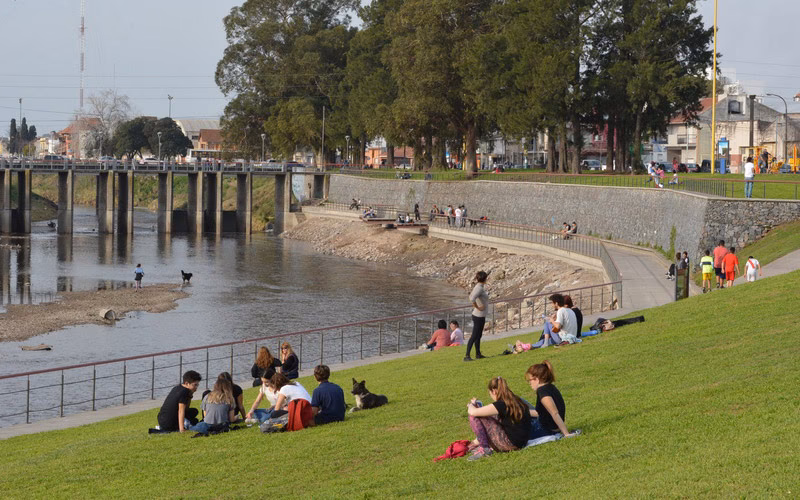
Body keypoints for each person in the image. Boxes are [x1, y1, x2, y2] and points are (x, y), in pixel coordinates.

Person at [465, 376, 532, 460]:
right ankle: (479, 444)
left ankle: (484, 448)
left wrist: (471, 405)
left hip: (510, 444)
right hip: (522, 442)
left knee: (474, 416)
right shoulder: (516, 400)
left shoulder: (500, 404)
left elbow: (473, 412)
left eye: (490, 393)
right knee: (488, 414)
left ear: (494, 391)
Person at [526, 360, 576, 439]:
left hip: (545, 430)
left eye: (530, 380)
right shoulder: (550, 387)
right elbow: (543, 413)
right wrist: (522, 412)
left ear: (537, 379)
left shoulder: (542, 391)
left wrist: (566, 434)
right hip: (548, 427)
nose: (529, 383)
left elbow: (554, 413)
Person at [465, 271, 489, 361]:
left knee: (478, 335)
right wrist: (478, 307)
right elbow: (472, 298)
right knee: (474, 335)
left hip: (481, 315)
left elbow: (472, 296)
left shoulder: (480, 286)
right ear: (485, 279)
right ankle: (467, 355)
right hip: (478, 315)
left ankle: (478, 354)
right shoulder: (479, 288)